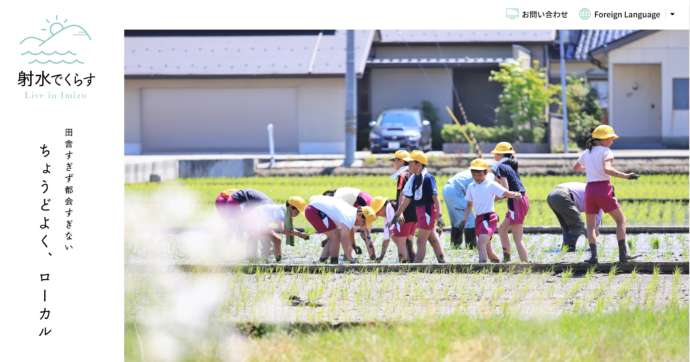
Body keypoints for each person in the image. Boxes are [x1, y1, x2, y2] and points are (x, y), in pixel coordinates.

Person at [573, 125, 640, 264]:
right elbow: (607, 169)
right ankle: (623, 255)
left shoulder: (586, 153)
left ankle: (593, 257)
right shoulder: (606, 151)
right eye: (610, 138)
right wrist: (626, 176)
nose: (612, 141)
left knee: (590, 226)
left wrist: (591, 168)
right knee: (621, 221)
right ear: (602, 139)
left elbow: (576, 168)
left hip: (590, 190)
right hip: (603, 189)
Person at [462, 159, 523, 263]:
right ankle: (499, 266)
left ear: (485, 172)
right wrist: (464, 219)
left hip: (489, 218)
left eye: (479, 173)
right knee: (488, 249)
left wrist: (515, 194)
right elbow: (469, 204)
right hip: (479, 219)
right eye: (474, 173)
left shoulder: (490, 184)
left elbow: (505, 192)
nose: (476, 176)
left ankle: (481, 269)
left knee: (481, 243)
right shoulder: (471, 186)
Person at [393, 150, 446, 263]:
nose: (408, 165)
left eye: (411, 163)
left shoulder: (427, 178)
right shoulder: (414, 178)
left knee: (420, 241)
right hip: (420, 211)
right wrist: (398, 213)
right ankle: (442, 261)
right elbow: (407, 198)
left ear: (418, 164)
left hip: (427, 211)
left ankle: (417, 266)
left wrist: (439, 215)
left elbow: (435, 197)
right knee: (432, 238)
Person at [304, 195, 377, 264]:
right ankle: (334, 262)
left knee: (334, 234)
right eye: (363, 222)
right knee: (335, 236)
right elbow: (344, 239)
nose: (362, 225)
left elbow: (350, 232)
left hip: (315, 208)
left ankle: (323, 259)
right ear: (360, 215)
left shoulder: (352, 213)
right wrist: (350, 258)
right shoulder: (349, 218)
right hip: (313, 210)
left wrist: (353, 245)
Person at [491, 142, 530, 262]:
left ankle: (526, 265)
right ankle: (507, 260)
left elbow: (505, 190)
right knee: (502, 230)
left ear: (501, 155)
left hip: (516, 201)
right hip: (520, 200)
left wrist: (492, 199)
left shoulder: (501, 167)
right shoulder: (508, 166)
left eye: (496, 154)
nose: (494, 156)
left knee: (518, 238)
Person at [443, 169, 496, 249]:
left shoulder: (476, 171)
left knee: (457, 219)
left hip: (448, 189)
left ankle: (455, 245)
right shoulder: (489, 176)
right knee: (470, 221)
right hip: (456, 191)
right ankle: (471, 246)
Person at [318, 187, 376, 260]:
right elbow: (349, 229)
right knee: (365, 233)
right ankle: (372, 257)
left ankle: (326, 258)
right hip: (367, 200)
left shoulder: (335, 200)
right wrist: (353, 244)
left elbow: (347, 229)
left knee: (337, 234)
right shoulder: (340, 197)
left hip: (361, 201)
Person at [249, 196, 310, 262]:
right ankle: (274, 261)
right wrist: (300, 234)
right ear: (291, 207)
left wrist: (298, 233)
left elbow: (287, 229)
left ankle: (267, 260)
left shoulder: (284, 211)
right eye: (297, 212)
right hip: (253, 222)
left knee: (273, 240)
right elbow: (283, 229)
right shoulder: (281, 212)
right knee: (276, 239)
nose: (297, 214)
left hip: (257, 222)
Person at [546, 182, 603, 252]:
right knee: (579, 225)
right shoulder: (599, 199)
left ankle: (566, 248)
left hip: (552, 196)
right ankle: (571, 249)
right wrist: (594, 243)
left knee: (567, 227)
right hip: (563, 195)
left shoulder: (591, 188)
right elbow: (593, 227)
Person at [390, 149, 418, 261]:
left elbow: (402, 193)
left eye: (394, 160)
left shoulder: (403, 175)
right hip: (415, 212)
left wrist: (399, 212)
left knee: (399, 238)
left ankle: (404, 266)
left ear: (401, 161)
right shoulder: (413, 173)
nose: (393, 163)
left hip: (406, 212)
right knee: (409, 239)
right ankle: (413, 261)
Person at [370, 197, 411, 263]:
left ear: (381, 207)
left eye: (378, 213)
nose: (379, 215)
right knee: (396, 237)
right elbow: (386, 239)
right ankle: (408, 259)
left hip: (408, 220)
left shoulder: (390, 207)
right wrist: (381, 256)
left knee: (396, 236)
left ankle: (405, 262)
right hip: (410, 222)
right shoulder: (387, 216)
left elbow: (395, 227)